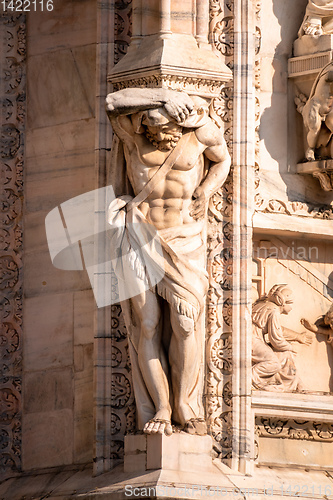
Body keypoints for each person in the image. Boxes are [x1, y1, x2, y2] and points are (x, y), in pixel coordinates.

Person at [106, 87, 231, 436]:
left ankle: (185, 405)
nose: (158, 137)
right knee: (146, 324)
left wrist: (205, 189)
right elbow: (112, 101)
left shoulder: (200, 130)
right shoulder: (134, 133)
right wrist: (161, 96)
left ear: (180, 126)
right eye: (152, 131)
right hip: (141, 235)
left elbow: (223, 160)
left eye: (165, 132)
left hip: (184, 237)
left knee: (186, 323)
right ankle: (161, 405)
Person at [252, 284, 313, 392]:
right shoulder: (274, 311)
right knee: (273, 363)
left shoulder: (266, 306)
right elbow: (276, 340)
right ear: (282, 301)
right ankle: (249, 378)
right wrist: (290, 347)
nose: (292, 307)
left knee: (285, 355)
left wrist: (297, 337)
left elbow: (278, 329)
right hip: (251, 340)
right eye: (291, 304)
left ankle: (299, 385)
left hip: (255, 338)